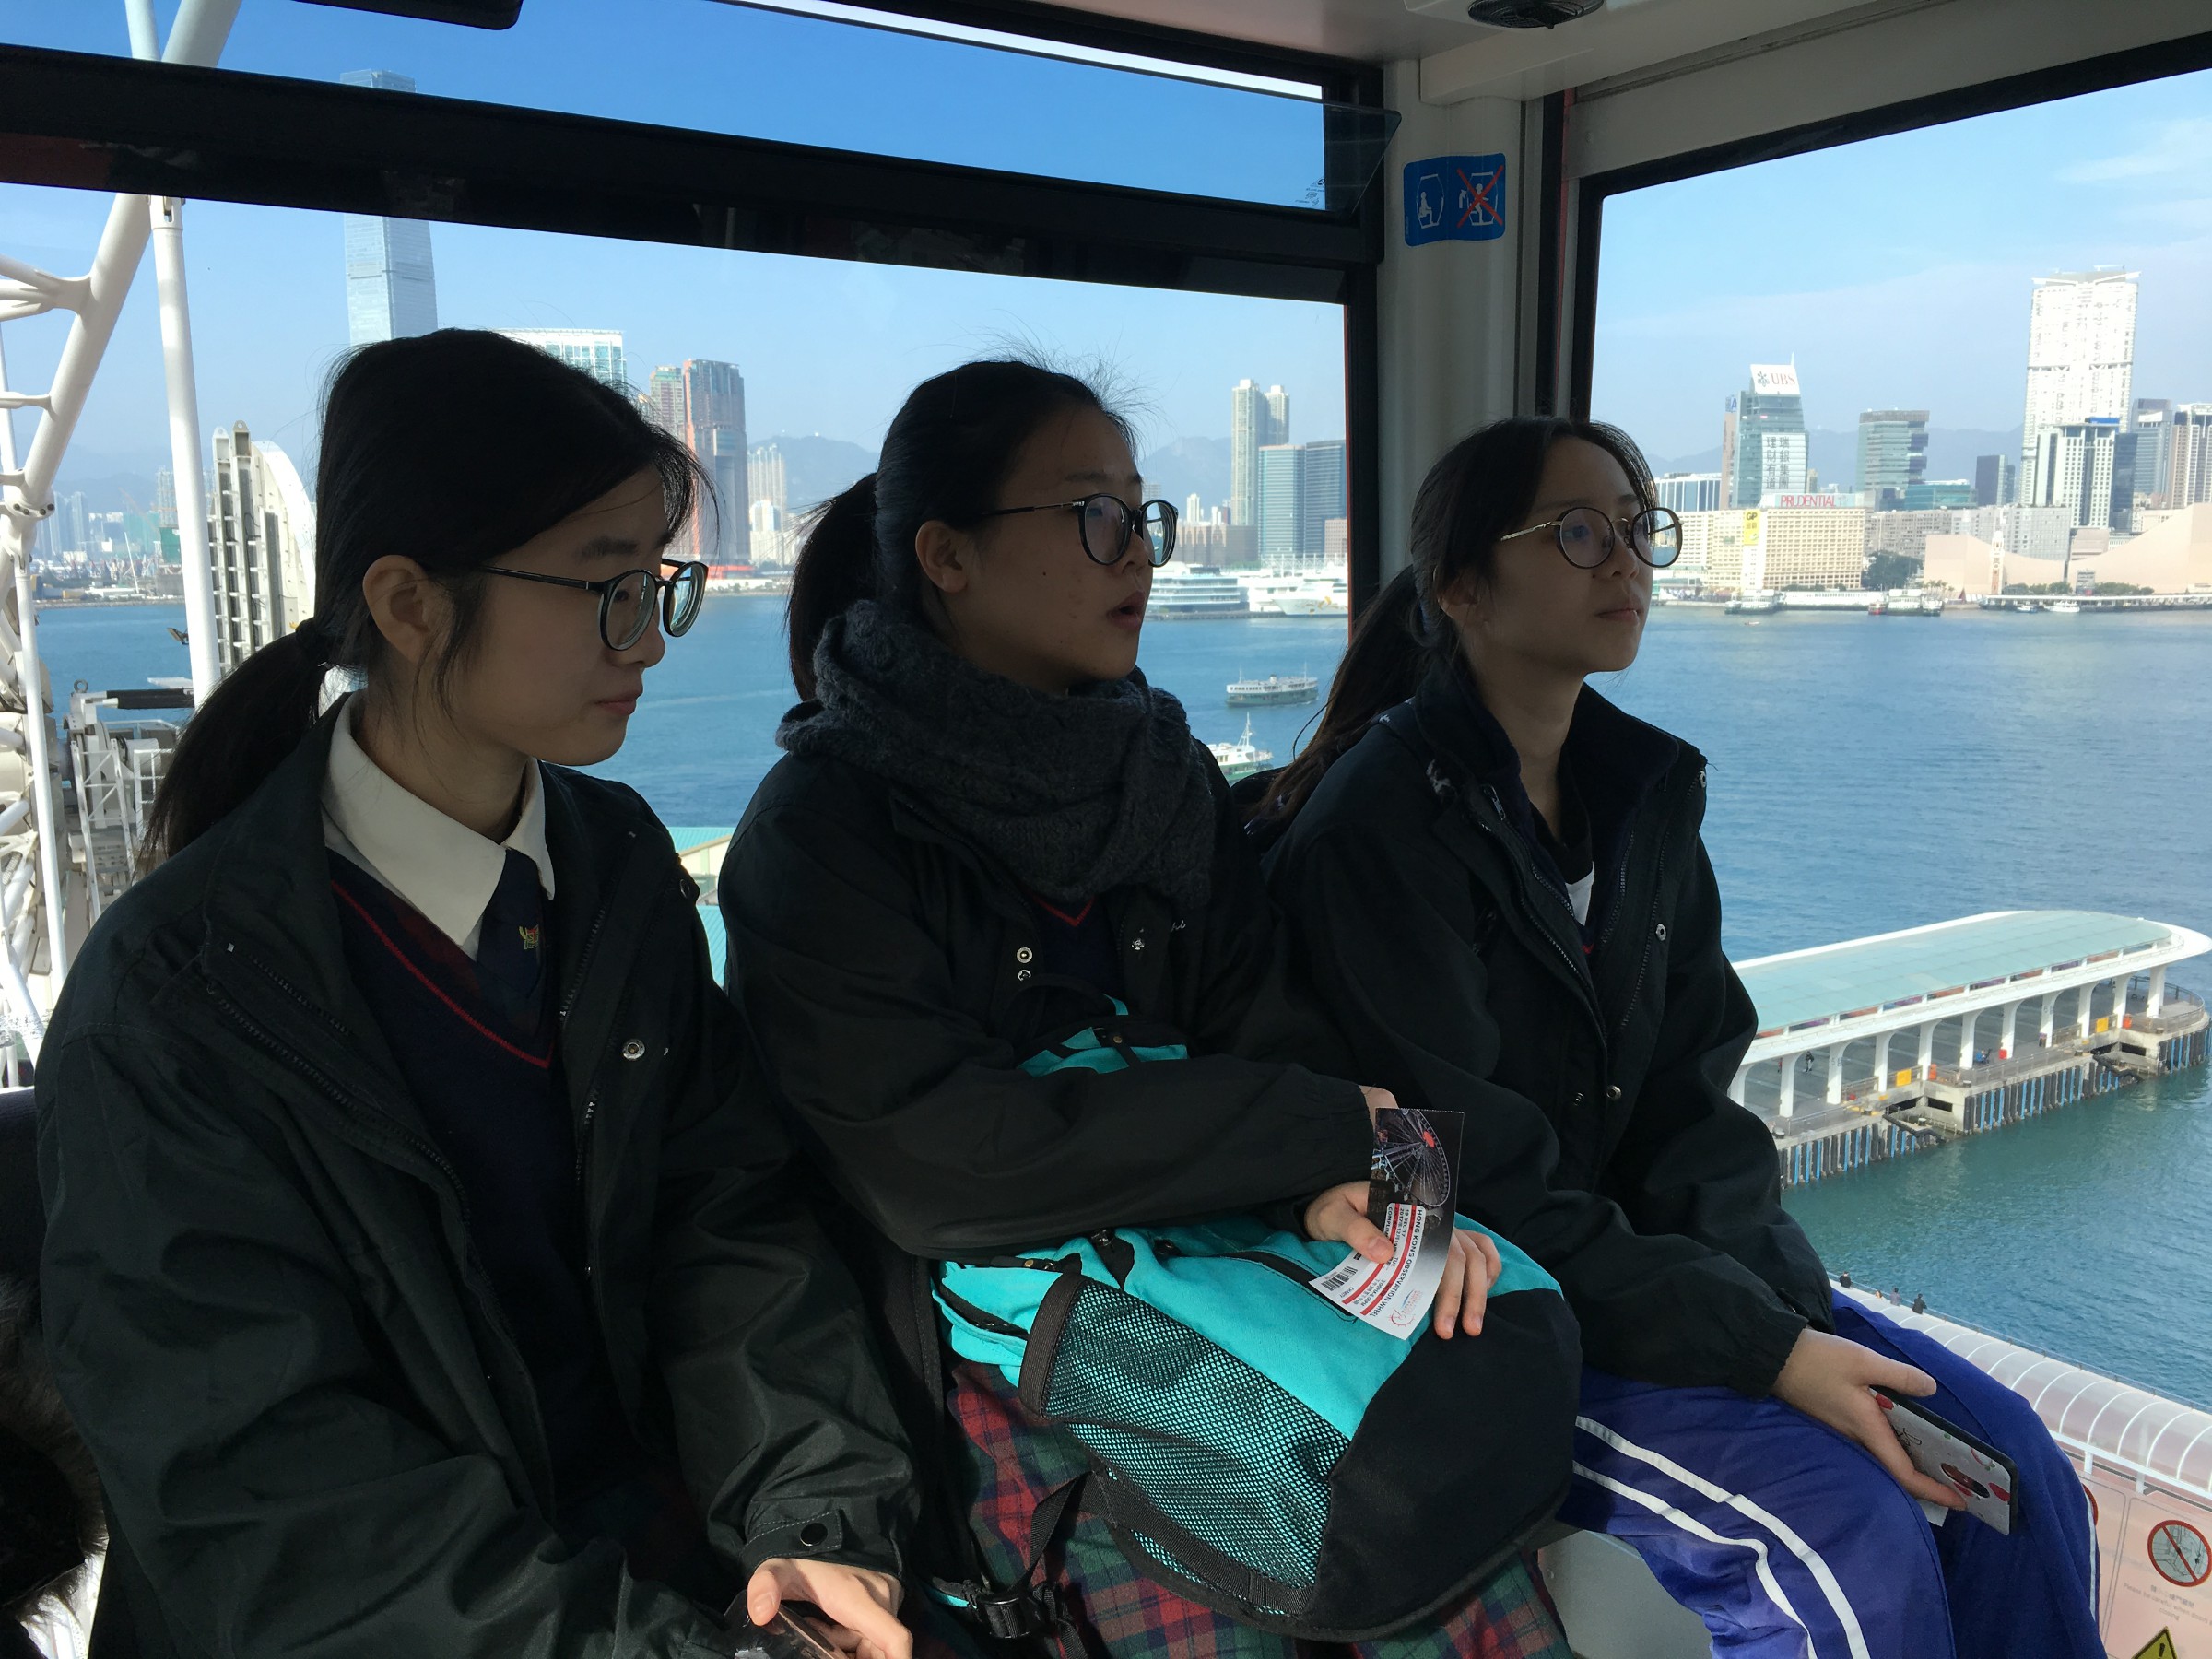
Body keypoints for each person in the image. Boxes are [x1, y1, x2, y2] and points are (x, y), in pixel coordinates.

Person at [35, 330, 916, 1659]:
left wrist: (818, 1521)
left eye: (657, 584)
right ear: (409, 605)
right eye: (607, 587)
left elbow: (729, 1223)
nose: (650, 640)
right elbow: (272, 1505)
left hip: (667, 1581)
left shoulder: (615, 869)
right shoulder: (174, 1003)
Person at [717, 359, 1571, 1659]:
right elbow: (939, 1167)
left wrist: (1400, 1193)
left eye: (1143, 515)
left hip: (1229, 1288)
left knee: (1439, 1500)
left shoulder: (1167, 779)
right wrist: (1323, 1135)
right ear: (946, 555)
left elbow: (1301, 1043)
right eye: (1094, 516)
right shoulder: (821, 836)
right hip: (999, 1371)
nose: (1139, 554)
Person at [1253, 417, 2102, 1659]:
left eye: (1639, 528)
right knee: (1847, 1548)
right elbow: (1454, 1180)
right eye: (1577, 531)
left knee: (2014, 1472)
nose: (1625, 560)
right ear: (1463, 586)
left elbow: (1692, 1106)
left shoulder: (1642, 805)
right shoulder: (1375, 836)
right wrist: (1765, 1352)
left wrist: (1784, 1315)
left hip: (1639, 1282)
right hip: (1491, 1312)